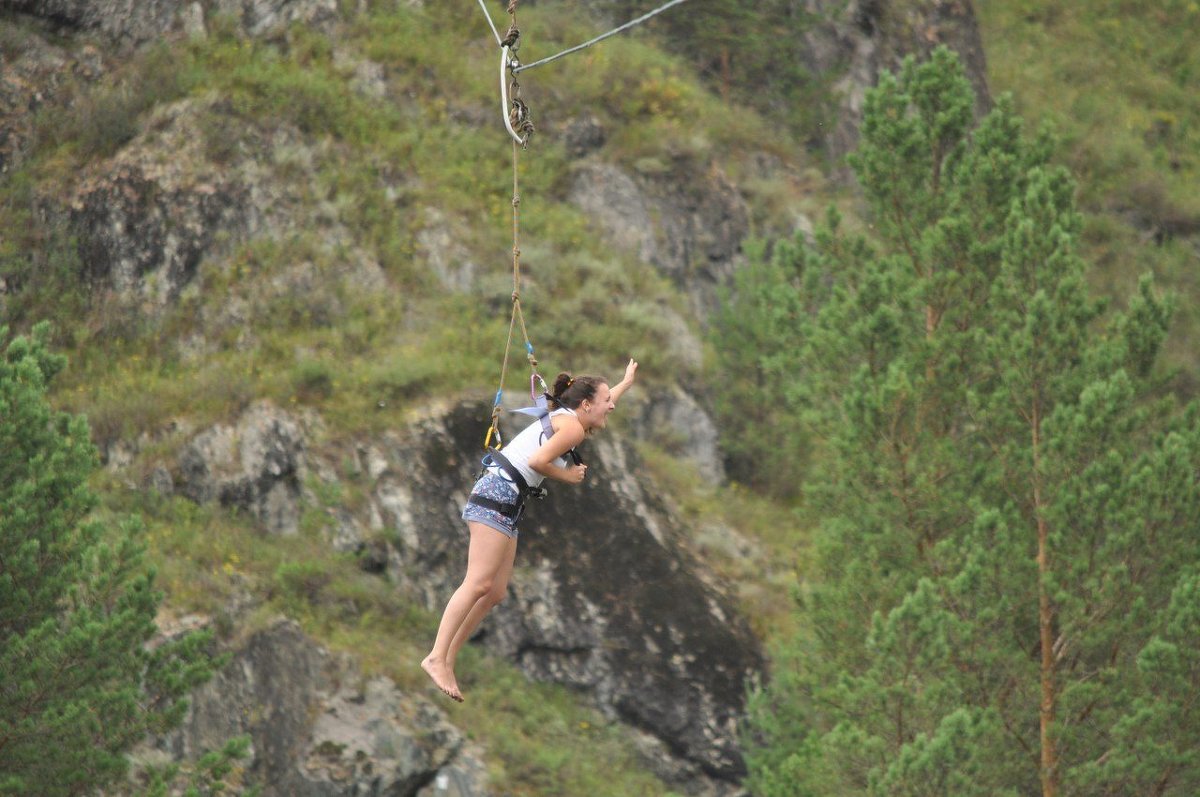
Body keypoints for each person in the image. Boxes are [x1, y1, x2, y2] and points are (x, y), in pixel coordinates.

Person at [421, 359, 638, 702]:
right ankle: (436, 656)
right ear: (585, 405)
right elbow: (538, 462)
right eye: (606, 400)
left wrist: (625, 382)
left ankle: (446, 658)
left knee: (494, 593)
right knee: (478, 582)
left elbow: (602, 398)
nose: (611, 405)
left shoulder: (570, 416)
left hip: (508, 500)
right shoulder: (572, 428)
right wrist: (568, 476)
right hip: (498, 494)